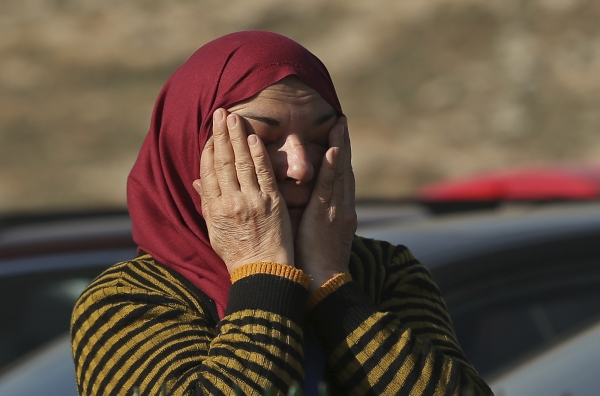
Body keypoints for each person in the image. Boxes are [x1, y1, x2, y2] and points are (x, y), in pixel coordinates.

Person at [71, 31, 493, 396]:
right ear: (189, 148)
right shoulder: (127, 300)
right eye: (263, 139)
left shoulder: (384, 272)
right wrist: (263, 274)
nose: (300, 166)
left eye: (319, 136)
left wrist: (332, 285)